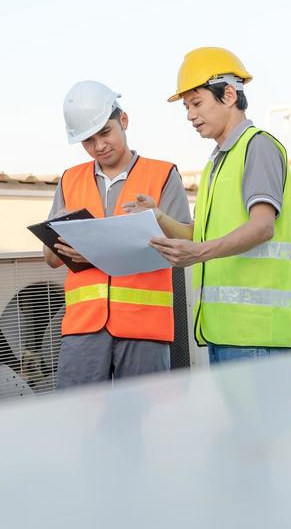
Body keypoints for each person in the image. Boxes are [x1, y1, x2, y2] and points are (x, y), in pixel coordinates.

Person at [131, 48, 291, 363]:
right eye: (186, 107)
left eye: (197, 103)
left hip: (257, 336)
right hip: (224, 333)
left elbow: (262, 226)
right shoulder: (216, 163)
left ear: (229, 95)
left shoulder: (257, 146)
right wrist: (158, 216)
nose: (190, 115)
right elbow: (199, 234)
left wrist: (199, 253)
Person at [44, 80, 191, 386]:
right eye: (88, 140)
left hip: (144, 327)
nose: (99, 146)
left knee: (144, 424)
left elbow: (185, 245)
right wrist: (57, 233)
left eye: (105, 132)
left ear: (123, 120)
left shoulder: (162, 174)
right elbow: (50, 260)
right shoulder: (70, 180)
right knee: (79, 420)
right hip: (83, 327)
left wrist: (154, 220)